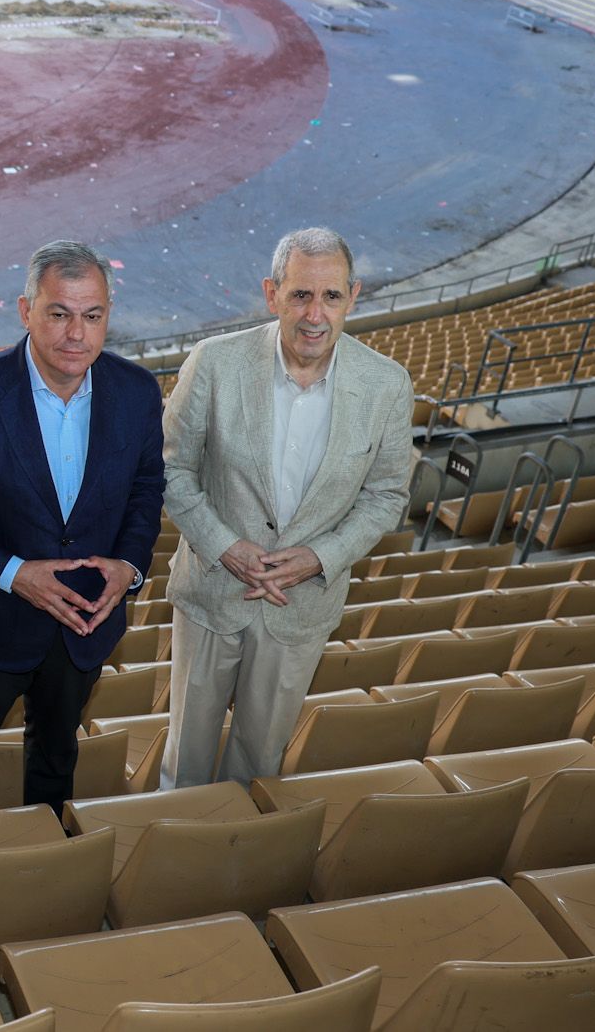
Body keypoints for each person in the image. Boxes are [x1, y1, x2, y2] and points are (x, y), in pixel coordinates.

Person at [160, 229, 413, 788]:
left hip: (301, 606)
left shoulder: (388, 386)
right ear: (272, 293)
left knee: (259, 766)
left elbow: (387, 495)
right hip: (211, 595)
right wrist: (225, 546)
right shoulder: (214, 363)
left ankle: (236, 858)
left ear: (354, 295)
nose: (314, 315)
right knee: (186, 761)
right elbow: (171, 469)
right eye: (300, 295)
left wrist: (320, 557)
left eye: (330, 296)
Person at [0, 242, 164, 817]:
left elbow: (146, 491)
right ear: (25, 310)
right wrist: (13, 574)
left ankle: (46, 868)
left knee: (57, 757)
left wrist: (128, 568)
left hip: (84, 622)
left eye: (92, 315)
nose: (76, 334)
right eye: (59, 314)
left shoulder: (136, 392)